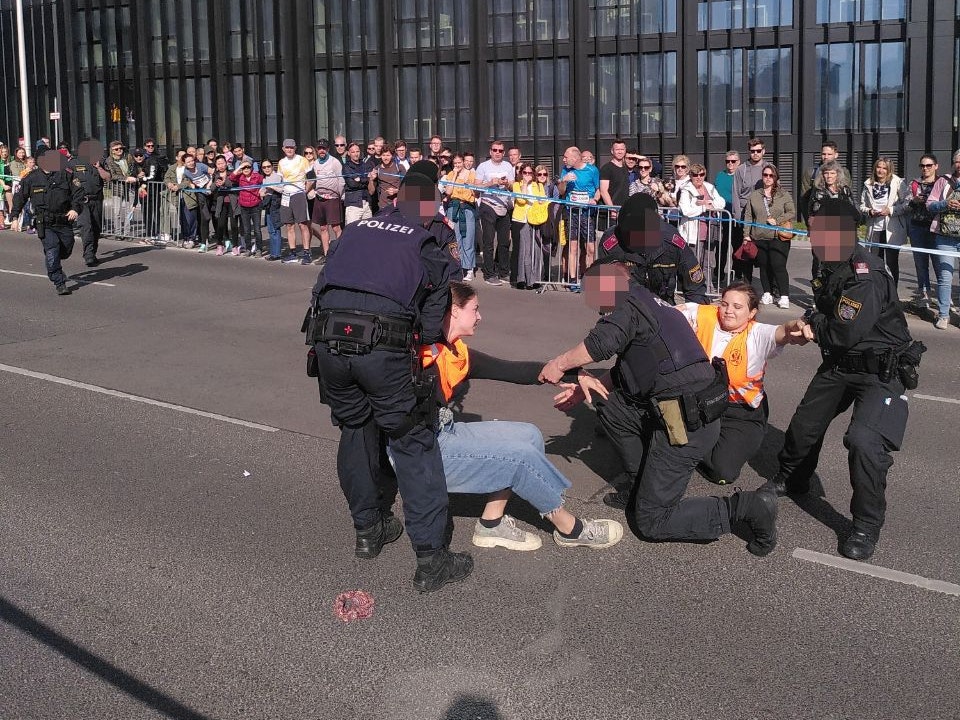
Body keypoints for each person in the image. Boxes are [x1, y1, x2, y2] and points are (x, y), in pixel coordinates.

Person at [542, 259, 778, 556]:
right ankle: (638, 485)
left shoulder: (627, 303)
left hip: (684, 420)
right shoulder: (650, 303)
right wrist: (581, 386)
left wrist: (559, 364)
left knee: (651, 521)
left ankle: (747, 508)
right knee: (611, 405)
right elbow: (631, 369)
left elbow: (601, 343)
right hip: (682, 407)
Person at [310, 172, 472, 593]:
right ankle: (432, 559)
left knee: (355, 430)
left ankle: (368, 531)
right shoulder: (425, 243)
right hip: (383, 350)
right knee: (413, 442)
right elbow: (437, 322)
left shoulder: (358, 227)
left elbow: (321, 285)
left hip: (328, 341)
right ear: (430, 202)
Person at [764, 198, 919, 561]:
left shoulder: (866, 275)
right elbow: (826, 312)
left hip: (881, 369)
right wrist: (818, 317)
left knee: (864, 442)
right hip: (841, 363)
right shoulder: (829, 260)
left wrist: (813, 321)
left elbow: (838, 332)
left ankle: (865, 524)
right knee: (804, 425)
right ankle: (793, 478)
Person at [417, 281, 623, 551]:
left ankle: (491, 524)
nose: (480, 316)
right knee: (518, 458)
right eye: (475, 309)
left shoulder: (454, 351)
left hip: (445, 432)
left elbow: (511, 370)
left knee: (528, 435)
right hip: (423, 451)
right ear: (454, 311)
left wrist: (574, 372)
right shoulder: (422, 358)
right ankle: (570, 528)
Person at [680, 282, 808, 487]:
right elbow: (665, 313)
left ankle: (702, 445)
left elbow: (783, 331)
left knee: (722, 471)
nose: (729, 311)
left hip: (741, 412)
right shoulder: (704, 315)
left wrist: (795, 326)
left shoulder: (757, 334)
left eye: (737, 307)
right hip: (704, 403)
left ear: (751, 313)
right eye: (724, 304)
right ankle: (693, 443)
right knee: (669, 437)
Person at [596, 193, 708, 305]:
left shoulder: (671, 241)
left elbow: (695, 288)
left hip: (663, 309)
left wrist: (694, 317)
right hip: (627, 310)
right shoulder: (610, 243)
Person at [9, 149, 86, 295]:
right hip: (45, 222)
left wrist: (75, 209)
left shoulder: (65, 174)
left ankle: (56, 263)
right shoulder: (31, 178)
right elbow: (19, 197)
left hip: (64, 220)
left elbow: (78, 193)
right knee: (52, 249)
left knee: (66, 250)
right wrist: (14, 217)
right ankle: (59, 281)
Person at [742, 163, 795, 308]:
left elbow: (791, 211)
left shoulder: (783, 194)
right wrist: (746, 235)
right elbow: (748, 216)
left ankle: (784, 296)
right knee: (764, 266)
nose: (768, 178)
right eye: (765, 175)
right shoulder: (755, 195)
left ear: (775, 177)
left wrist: (777, 221)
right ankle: (767, 293)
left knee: (778, 265)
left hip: (778, 236)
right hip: (759, 237)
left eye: (771, 175)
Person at [860, 157, 908, 290]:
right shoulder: (868, 184)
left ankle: (893, 293)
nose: (880, 170)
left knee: (892, 263)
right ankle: (878, 292)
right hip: (874, 228)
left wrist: (891, 210)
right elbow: (862, 206)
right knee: (875, 262)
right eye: (878, 167)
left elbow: (907, 204)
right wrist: (869, 211)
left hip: (891, 229)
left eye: (884, 168)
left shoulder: (897, 182)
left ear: (889, 170)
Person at [807, 159, 860, 279]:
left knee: (842, 267)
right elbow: (814, 212)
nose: (829, 176)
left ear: (838, 174)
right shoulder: (818, 192)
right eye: (826, 173)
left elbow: (853, 211)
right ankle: (819, 293)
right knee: (820, 267)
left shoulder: (845, 190)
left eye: (832, 173)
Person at [926, 149, 960, 330]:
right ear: (953, 163)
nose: (959, 165)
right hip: (944, 236)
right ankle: (943, 314)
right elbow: (929, 205)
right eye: (957, 161)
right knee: (945, 277)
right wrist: (945, 204)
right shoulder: (943, 181)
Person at [558, 146, 601, 281]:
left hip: (587, 214)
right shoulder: (566, 170)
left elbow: (598, 190)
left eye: (566, 157)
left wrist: (594, 199)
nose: (564, 160)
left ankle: (588, 277)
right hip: (572, 213)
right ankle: (572, 279)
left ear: (575, 158)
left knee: (590, 248)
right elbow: (561, 192)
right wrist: (564, 181)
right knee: (573, 247)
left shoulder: (592, 170)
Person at [475, 140, 515, 286]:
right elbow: (476, 186)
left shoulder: (508, 166)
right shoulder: (483, 166)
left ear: (503, 153)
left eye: (500, 151)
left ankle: (503, 272)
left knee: (504, 242)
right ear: (490, 151)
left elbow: (512, 185)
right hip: (488, 206)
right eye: (495, 150)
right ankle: (489, 274)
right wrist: (490, 183)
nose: (497, 153)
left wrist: (506, 184)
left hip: (504, 206)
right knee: (489, 242)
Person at [905, 155, 940, 310]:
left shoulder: (942, 182)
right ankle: (924, 294)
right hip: (917, 227)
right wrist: (914, 201)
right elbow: (905, 204)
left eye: (929, 165)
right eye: (922, 165)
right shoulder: (914, 183)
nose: (925, 168)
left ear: (936, 166)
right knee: (920, 263)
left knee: (939, 263)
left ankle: (942, 296)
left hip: (937, 228)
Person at [67, 140, 108, 267]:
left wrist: (99, 167)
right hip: (81, 201)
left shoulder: (99, 162)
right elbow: (66, 181)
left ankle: (92, 253)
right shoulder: (73, 163)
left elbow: (107, 177)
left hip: (96, 200)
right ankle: (88, 255)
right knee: (86, 228)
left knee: (96, 228)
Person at [732, 138, 768, 282]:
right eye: (752, 151)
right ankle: (746, 283)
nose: (755, 154)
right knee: (746, 251)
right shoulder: (741, 169)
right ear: (749, 152)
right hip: (744, 215)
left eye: (758, 151)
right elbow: (735, 193)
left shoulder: (769, 168)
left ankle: (770, 288)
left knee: (764, 252)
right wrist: (737, 216)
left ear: (763, 151)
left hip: (763, 215)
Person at [440, 153, 478, 281]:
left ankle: (469, 268)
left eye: (459, 163)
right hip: (453, 208)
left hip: (467, 207)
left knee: (468, 237)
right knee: (456, 239)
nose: (457, 165)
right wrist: (455, 175)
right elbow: (449, 192)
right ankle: (458, 266)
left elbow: (475, 192)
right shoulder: (450, 175)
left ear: (463, 162)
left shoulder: (471, 174)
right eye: (455, 163)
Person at [510, 163, 547, 289]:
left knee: (536, 250)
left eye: (529, 173)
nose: (527, 175)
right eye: (524, 173)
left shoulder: (539, 185)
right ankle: (522, 278)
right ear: (521, 174)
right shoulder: (516, 185)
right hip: (521, 220)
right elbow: (521, 200)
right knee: (524, 250)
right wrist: (524, 185)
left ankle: (535, 279)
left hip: (535, 219)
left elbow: (542, 200)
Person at [277, 138, 313, 265]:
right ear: (283, 149)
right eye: (287, 147)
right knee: (289, 225)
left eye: (291, 147)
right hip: (286, 195)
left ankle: (307, 252)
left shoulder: (302, 160)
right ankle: (292, 252)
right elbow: (280, 180)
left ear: (295, 148)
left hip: (298, 194)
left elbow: (311, 178)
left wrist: (305, 191)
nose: (289, 150)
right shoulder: (281, 162)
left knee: (302, 224)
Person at [229, 159, 265, 256]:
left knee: (257, 229)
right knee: (246, 229)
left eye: (248, 167)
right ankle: (248, 248)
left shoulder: (257, 176)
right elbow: (231, 177)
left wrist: (262, 190)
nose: (246, 169)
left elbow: (265, 182)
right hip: (244, 207)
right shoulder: (240, 177)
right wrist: (240, 167)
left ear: (251, 167)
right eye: (244, 167)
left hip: (256, 206)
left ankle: (259, 249)